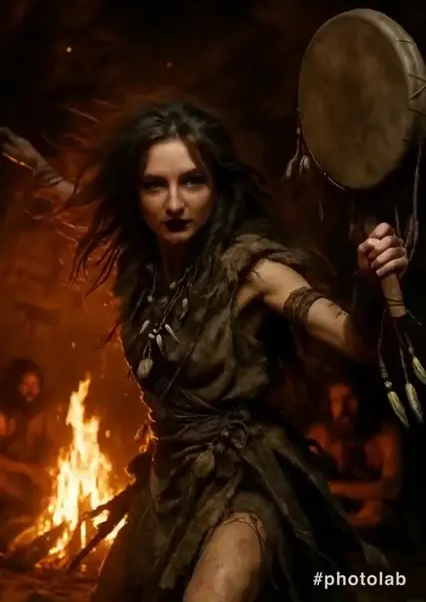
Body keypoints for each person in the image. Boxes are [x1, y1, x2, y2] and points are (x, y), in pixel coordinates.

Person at [0, 102, 413, 600]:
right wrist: (36, 165)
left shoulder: (253, 271)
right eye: (156, 185)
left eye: (192, 182)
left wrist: (369, 285)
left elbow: (356, 341)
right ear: (137, 196)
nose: (175, 203)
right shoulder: (144, 269)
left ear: (216, 188)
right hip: (168, 485)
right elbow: (81, 201)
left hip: (244, 480)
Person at [307, 380, 402, 537]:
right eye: (335, 401)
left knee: (376, 509)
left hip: (373, 524)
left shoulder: (385, 437)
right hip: (335, 518)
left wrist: (332, 488)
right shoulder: (320, 436)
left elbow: (391, 488)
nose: (342, 409)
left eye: (349, 399)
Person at [0, 357, 53, 550]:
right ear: (16, 386)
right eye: (25, 385)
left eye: (34, 385)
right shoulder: (4, 417)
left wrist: (44, 473)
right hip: (9, 483)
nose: (31, 391)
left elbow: (52, 456)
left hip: (31, 488)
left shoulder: (43, 418)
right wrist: (27, 470)